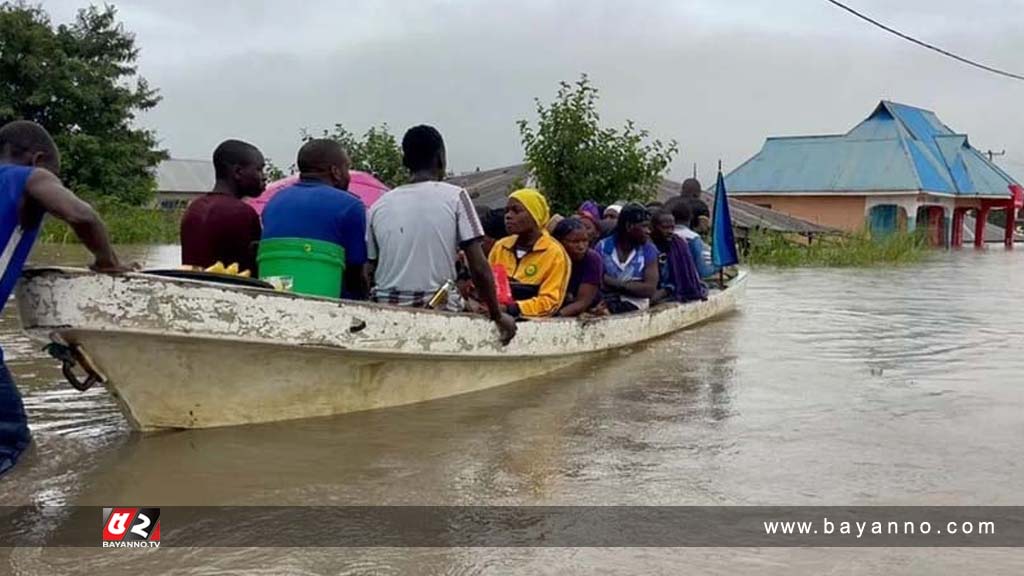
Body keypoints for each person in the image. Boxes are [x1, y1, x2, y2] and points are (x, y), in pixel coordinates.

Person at [0, 120, 127, 476]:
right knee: (14, 447)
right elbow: (81, 215)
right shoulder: (29, 178)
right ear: (38, 159)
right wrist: (108, 264)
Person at [366, 125, 516, 344]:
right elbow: (479, 266)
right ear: (440, 159)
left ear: (405, 162)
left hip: (385, 305)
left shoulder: (379, 205)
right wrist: (497, 314)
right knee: (469, 304)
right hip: (436, 305)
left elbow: (367, 271)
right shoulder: (456, 196)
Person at [260, 139, 368, 299]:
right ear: (335, 171)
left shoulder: (274, 202)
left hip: (277, 298)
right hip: (329, 304)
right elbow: (355, 273)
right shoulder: (350, 206)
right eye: (347, 168)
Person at [180, 139, 265, 274]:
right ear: (238, 172)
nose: (263, 177)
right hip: (233, 291)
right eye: (259, 170)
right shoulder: (243, 213)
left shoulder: (194, 208)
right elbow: (253, 269)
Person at [488, 189, 570, 318]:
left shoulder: (554, 253)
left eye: (516, 211)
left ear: (535, 215)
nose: (508, 216)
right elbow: (488, 286)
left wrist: (512, 309)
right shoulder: (500, 247)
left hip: (533, 329)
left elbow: (550, 302)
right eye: (507, 211)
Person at [595, 203, 659, 313]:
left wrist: (614, 283)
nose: (648, 231)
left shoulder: (648, 250)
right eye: (644, 226)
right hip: (604, 301)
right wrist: (633, 286)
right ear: (629, 226)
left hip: (636, 304)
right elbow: (598, 281)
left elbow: (649, 290)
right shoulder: (603, 247)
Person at [650, 210, 707, 304]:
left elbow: (686, 276)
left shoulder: (679, 244)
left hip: (673, 290)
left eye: (672, 227)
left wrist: (665, 291)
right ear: (653, 227)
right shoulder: (645, 246)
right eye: (665, 228)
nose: (669, 231)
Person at [551, 217, 604, 317]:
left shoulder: (592, 259)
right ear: (559, 242)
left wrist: (554, 318)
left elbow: (583, 302)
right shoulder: (550, 257)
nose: (581, 247)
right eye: (575, 242)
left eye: (585, 241)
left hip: (585, 310)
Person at [666, 197, 717, 278]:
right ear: (690, 217)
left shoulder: (666, 235)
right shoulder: (693, 238)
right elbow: (702, 271)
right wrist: (718, 266)